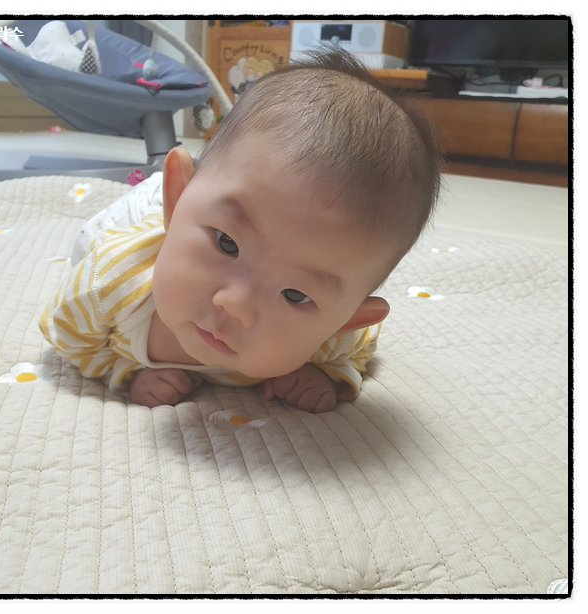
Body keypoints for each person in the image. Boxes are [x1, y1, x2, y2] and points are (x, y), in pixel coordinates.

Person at [40, 48, 441, 413]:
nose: (235, 305)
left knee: (220, 205)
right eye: (226, 244)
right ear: (177, 199)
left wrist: (326, 375)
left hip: (204, 206)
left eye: (295, 294)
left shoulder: (332, 338)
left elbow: (358, 354)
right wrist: (124, 371)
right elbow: (69, 342)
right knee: (90, 241)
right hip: (143, 214)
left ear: (346, 320)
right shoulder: (107, 281)